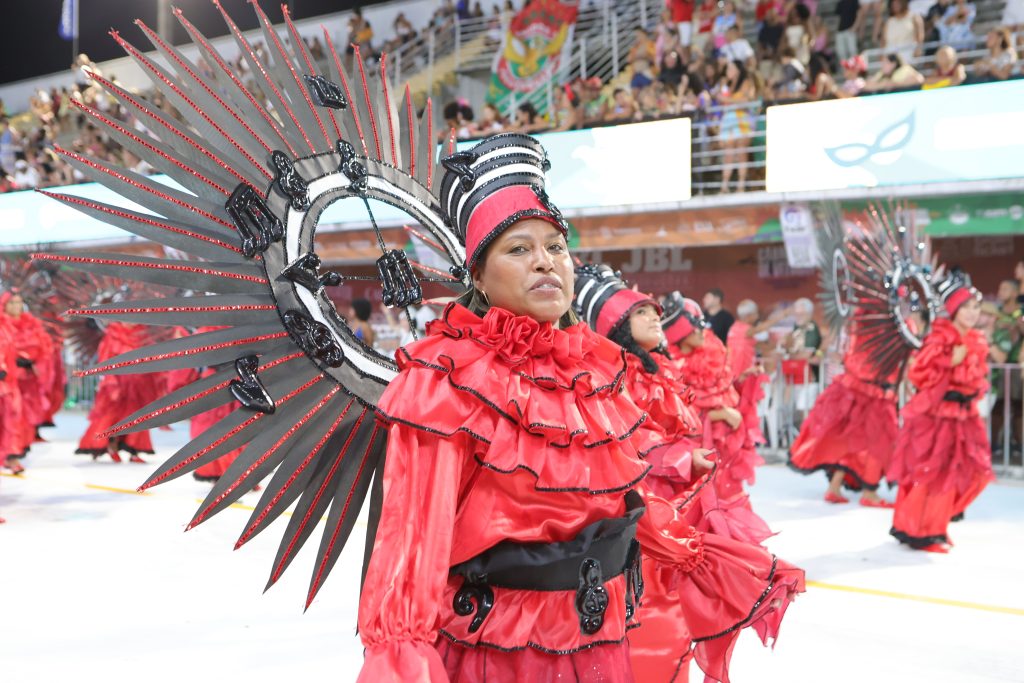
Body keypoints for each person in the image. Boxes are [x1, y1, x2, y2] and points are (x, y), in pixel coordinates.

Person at [356, 133, 798, 680]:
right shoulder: (444, 376)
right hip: (501, 651)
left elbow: (619, 498)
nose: (545, 262)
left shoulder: (591, 371)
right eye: (519, 249)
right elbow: (412, 541)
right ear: (479, 275)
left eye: (556, 247)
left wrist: (695, 557)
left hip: (600, 641)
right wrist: (402, 655)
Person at [576, 272, 804, 682]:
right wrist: (682, 458)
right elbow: (626, 443)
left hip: (680, 499)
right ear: (616, 324)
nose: (654, 316)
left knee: (673, 608)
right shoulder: (614, 374)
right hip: (646, 510)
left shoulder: (655, 368)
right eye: (640, 312)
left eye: (653, 310)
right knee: (653, 612)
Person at [889, 274, 994, 552]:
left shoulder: (975, 340)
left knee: (970, 471)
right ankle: (925, 531)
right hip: (936, 417)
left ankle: (936, 525)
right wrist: (949, 361)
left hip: (964, 416)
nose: (972, 313)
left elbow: (977, 379)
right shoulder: (939, 337)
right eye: (967, 307)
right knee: (933, 474)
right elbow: (919, 375)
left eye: (976, 307)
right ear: (954, 308)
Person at [664, 294, 768, 523]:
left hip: (726, 444)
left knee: (731, 503)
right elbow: (675, 413)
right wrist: (718, 414)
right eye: (696, 326)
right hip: (698, 449)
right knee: (705, 508)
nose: (702, 331)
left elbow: (724, 388)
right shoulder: (671, 365)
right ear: (681, 332)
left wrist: (743, 379)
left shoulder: (712, 349)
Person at [789, 331, 899, 507]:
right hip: (870, 391)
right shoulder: (881, 326)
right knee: (876, 441)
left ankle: (835, 488)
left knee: (850, 441)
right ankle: (869, 492)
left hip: (853, 388)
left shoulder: (860, 325)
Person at [76, 321, 163, 462]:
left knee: (135, 415)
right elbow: (105, 358)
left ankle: (133, 450)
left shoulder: (143, 334)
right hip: (117, 382)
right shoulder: (113, 333)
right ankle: (109, 445)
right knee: (111, 415)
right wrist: (110, 381)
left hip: (138, 383)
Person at [1, 290, 54, 461]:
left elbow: (44, 349)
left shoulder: (32, 324)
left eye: (19, 302)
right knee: (10, 412)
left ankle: (18, 446)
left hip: (29, 378)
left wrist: (34, 363)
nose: (16, 306)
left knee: (24, 413)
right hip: (7, 378)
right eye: (12, 302)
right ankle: (11, 450)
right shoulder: (3, 325)